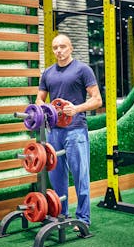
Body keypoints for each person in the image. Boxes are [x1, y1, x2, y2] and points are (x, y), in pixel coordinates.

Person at [36, 34, 102, 228]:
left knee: (80, 175)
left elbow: (97, 100)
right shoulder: (48, 73)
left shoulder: (82, 70)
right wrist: (46, 107)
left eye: (63, 46)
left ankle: (83, 219)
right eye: (55, 47)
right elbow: (39, 100)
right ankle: (61, 214)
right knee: (56, 177)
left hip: (75, 130)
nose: (59, 51)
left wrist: (76, 108)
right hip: (53, 132)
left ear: (71, 48)